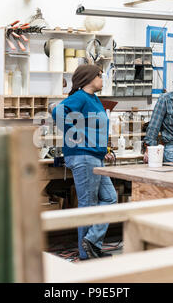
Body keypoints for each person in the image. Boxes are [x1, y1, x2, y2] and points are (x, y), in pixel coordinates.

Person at [52, 64, 117, 260]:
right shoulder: (80, 96)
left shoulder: (93, 98)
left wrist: (101, 148)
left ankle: (91, 242)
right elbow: (57, 113)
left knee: (110, 198)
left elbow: (94, 127)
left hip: (93, 155)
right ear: (89, 78)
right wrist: (80, 139)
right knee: (88, 205)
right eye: (100, 75)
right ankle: (87, 253)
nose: (102, 78)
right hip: (83, 156)